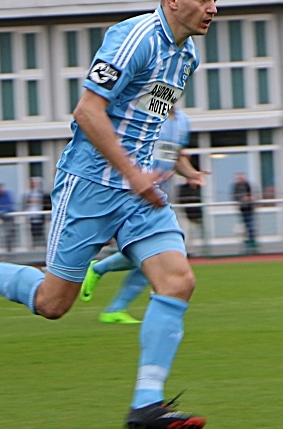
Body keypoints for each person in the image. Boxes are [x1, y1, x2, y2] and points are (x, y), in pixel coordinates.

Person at [0, 0, 221, 429]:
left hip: (137, 195)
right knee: (52, 303)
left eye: (216, 0)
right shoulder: (135, 39)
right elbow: (87, 111)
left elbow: (147, 113)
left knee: (178, 281)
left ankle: (146, 405)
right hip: (91, 186)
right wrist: (132, 171)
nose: (212, 8)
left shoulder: (187, 56)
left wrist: (157, 169)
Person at [79, 105, 202, 324]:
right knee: (157, 254)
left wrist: (193, 174)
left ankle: (113, 305)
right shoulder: (148, 114)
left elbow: (176, 155)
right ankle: (101, 279)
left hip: (158, 195)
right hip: (135, 193)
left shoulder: (182, 121)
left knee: (152, 257)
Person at [233, 172, 256, 253]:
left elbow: (251, 196)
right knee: (245, 225)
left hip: (249, 208)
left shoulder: (247, 185)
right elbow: (235, 196)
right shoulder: (236, 186)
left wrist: (248, 198)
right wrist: (242, 199)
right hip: (242, 209)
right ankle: (247, 240)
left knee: (251, 225)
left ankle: (252, 240)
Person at [24, 177, 49, 250]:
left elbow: (43, 202)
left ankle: (43, 246)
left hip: (40, 215)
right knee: (33, 231)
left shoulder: (41, 192)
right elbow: (26, 202)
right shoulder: (28, 193)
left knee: (41, 230)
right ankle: (34, 246)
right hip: (31, 215)